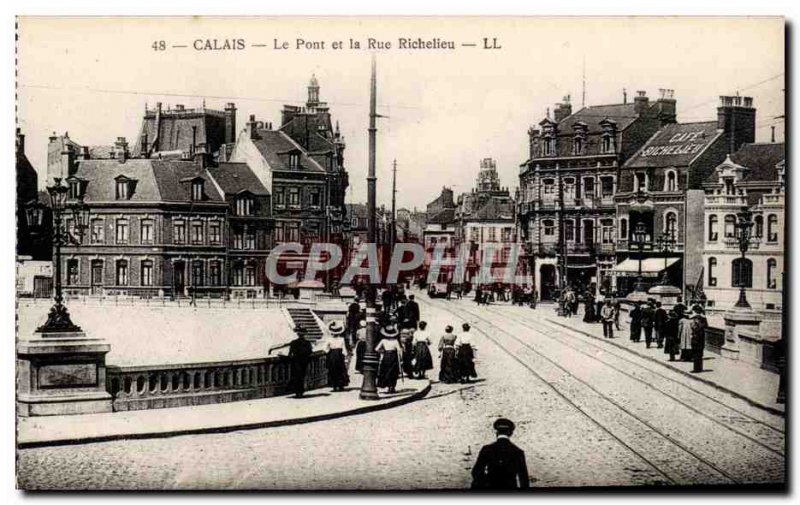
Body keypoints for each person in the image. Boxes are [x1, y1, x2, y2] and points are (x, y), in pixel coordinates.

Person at [471, 418, 530, 490]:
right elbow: (523, 479)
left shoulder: (487, 449)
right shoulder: (518, 452)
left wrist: (486, 482)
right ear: (511, 433)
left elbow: (476, 471)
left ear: (497, 433)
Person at [376, 324, 403, 393]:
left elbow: (376, 349)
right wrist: (401, 358)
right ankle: (392, 387)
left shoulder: (383, 340)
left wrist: (382, 352)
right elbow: (399, 350)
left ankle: (388, 386)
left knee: (386, 371)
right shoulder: (395, 341)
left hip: (386, 356)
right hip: (393, 357)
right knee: (393, 372)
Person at [287, 327, 313, 398]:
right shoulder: (307, 343)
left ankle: (297, 391)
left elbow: (290, 354)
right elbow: (310, 352)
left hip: (296, 361)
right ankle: (300, 391)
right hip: (304, 362)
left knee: (295, 376)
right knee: (302, 376)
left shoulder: (293, 342)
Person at [324, 321, 350, 392]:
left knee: (332, 370)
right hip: (339, 354)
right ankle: (341, 385)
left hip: (332, 355)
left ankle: (334, 386)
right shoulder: (341, 339)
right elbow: (344, 349)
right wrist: (345, 356)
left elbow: (325, 349)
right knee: (341, 370)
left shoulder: (329, 339)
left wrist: (328, 352)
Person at [689, 304, 708, 373]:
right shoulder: (704, 318)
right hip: (702, 337)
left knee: (695, 353)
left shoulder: (694, 319)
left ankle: (696, 368)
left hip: (695, 337)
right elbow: (706, 326)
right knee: (700, 353)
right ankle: (700, 368)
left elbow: (693, 328)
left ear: (695, 311)